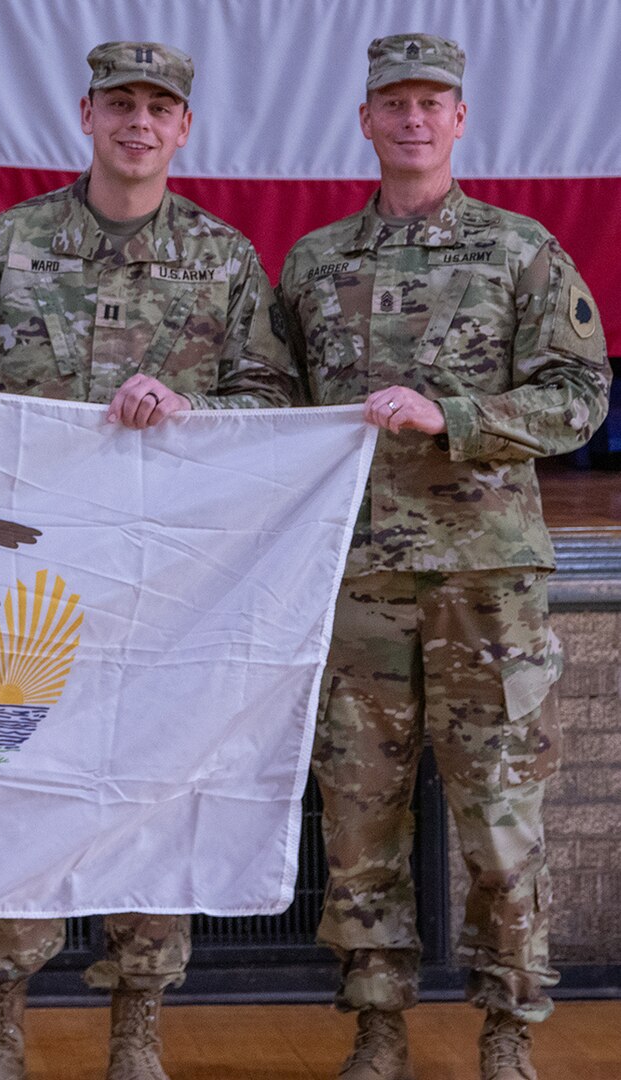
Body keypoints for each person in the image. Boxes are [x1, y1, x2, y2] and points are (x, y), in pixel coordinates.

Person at [0, 41, 297, 1080]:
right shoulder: (10, 244)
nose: (136, 123)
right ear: (86, 115)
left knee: (151, 782)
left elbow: (274, 403)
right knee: (10, 778)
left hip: (168, 586)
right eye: (118, 104)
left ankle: (136, 1022)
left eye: (157, 107)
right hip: (26, 578)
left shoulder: (222, 258)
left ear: (182, 129)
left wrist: (190, 410)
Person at [279, 34, 610, 1080]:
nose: (412, 120)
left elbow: (576, 398)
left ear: (459, 119)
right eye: (394, 104)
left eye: (432, 103)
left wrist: (448, 414)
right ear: (366, 121)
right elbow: (270, 410)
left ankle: (506, 1033)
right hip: (359, 585)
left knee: (499, 820)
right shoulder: (313, 264)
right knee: (357, 818)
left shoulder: (521, 252)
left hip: (482, 587)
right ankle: (375, 1028)